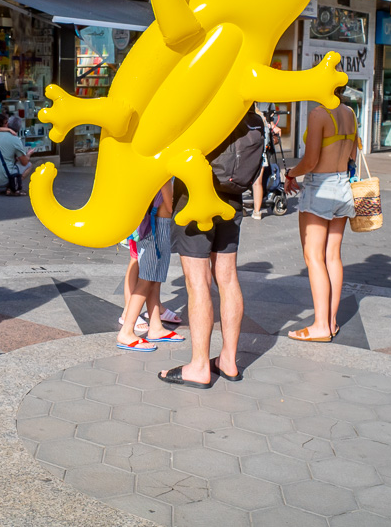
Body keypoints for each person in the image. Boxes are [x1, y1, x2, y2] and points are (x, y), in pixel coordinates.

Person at [158, 108, 264, 388]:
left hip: (194, 199)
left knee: (197, 283)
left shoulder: (205, 110)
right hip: (233, 199)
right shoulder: (250, 116)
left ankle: (199, 366)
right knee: (228, 279)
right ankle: (228, 360)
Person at [282, 88, 358, 343]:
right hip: (343, 184)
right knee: (333, 255)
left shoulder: (319, 114)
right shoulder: (349, 113)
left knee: (314, 256)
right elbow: (353, 155)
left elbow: (311, 160)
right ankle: (331, 322)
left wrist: (291, 173)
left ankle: (320, 325)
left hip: (320, 187)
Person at [117, 180, 184, 351]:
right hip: (156, 227)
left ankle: (156, 327)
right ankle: (126, 331)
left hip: (153, 226)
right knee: (146, 280)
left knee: (153, 280)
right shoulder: (163, 174)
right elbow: (169, 204)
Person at [0, 112, 32, 195]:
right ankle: (11, 186)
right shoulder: (15, 139)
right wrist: (28, 154)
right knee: (29, 165)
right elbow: (24, 162)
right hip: (4, 179)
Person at [250, 105, 281, 220]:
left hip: (245, 155)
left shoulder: (245, 118)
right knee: (257, 183)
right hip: (260, 153)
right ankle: (257, 212)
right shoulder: (262, 118)